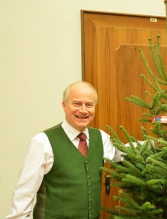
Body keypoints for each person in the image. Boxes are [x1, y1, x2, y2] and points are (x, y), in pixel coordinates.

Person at [6, 81, 122, 219]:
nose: (84, 110)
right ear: (64, 105)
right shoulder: (42, 142)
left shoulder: (101, 137)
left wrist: (154, 142)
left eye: (89, 105)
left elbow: (127, 154)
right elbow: (24, 195)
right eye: (77, 104)